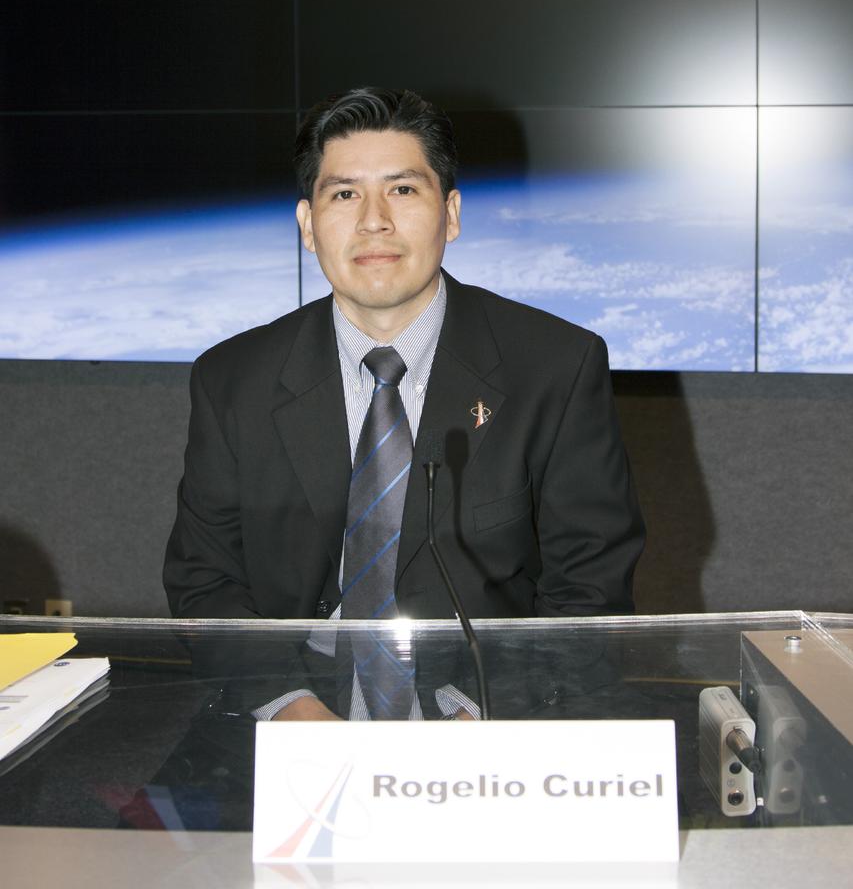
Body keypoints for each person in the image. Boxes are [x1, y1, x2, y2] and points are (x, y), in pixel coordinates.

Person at [163, 87, 644, 720]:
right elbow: (205, 580)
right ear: (308, 226)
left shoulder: (555, 366)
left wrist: (481, 717)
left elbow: (591, 586)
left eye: (402, 190)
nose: (373, 221)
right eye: (343, 194)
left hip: (486, 719)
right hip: (294, 721)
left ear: (450, 214)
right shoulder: (233, 379)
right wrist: (288, 707)